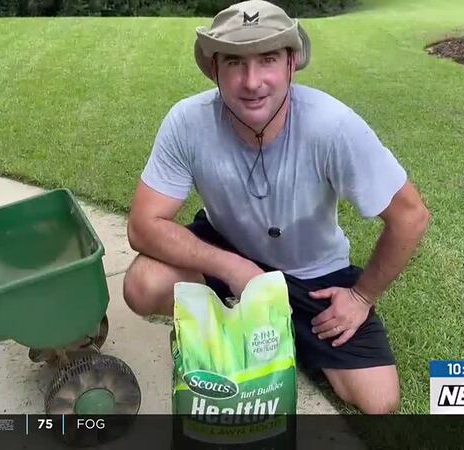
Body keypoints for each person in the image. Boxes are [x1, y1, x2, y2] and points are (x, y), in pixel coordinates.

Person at [123, 0, 430, 414]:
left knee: (379, 400)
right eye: (235, 62)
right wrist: (237, 270)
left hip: (313, 273)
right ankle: (224, 323)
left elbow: (410, 215)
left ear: (291, 64)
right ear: (215, 69)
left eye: (267, 59)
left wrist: (360, 297)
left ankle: (267, 330)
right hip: (228, 248)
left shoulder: (331, 126)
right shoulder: (187, 122)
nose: (252, 82)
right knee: (143, 284)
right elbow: (143, 225)